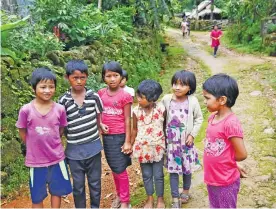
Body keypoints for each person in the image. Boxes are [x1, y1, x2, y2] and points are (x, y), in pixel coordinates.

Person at [16, 67, 72, 208]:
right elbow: (22, 131)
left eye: (51, 87)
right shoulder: (26, 110)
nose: (47, 90)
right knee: (37, 196)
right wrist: (32, 145)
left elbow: (60, 129)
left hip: (56, 159)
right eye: (43, 87)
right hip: (36, 161)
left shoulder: (59, 109)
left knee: (57, 191)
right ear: (34, 88)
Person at [59, 60, 104, 208]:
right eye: (75, 78)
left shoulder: (94, 97)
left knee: (95, 183)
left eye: (82, 78)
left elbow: (98, 116)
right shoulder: (63, 101)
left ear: (87, 77)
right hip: (74, 152)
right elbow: (62, 125)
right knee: (78, 186)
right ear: (67, 78)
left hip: (93, 148)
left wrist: (99, 127)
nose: (79, 81)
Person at [202, 74, 247, 208]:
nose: (204, 101)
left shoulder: (231, 124)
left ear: (222, 100)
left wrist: (231, 163)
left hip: (226, 181)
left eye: (207, 98)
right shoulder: (212, 118)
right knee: (214, 205)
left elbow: (242, 154)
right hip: (212, 177)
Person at [162, 70, 203, 208]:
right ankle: (175, 198)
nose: (177, 87)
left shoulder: (193, 101)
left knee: (187, 169)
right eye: (175, 84)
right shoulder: (167, 99)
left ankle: (185, 191)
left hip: (186, 144)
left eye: (182, 85)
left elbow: (199, 118)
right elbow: (161, 117)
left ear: (190, 87)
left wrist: (192, 135)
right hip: (172, 145)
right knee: (173, 171)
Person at [98, 61, 133, 208]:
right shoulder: (100, 94)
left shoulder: (125, 96)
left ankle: (125, 201)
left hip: (120, 136)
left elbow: (127, 119)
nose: (112, 79)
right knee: (113, 167)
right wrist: (99, 123)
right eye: (108, 76)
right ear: (103, 77)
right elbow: (98, 113)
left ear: (121, 77)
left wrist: (127, 141)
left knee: (120, 169)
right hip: (107, 137)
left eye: (115, 75)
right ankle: (119, 195)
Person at [131, 80, 166, 208]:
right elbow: (134, 129)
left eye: (142, 97)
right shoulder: (135, 111)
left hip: (158, 148)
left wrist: (167, 144)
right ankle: (150, 198)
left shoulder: (161, 109)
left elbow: (165, 126)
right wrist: (130, 143)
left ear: (152, 98)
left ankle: (160, 199)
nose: (138, 99)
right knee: (146, 175)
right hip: (143, 149)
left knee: (158, 175)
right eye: (137, 95)